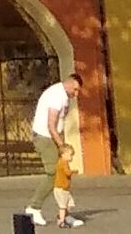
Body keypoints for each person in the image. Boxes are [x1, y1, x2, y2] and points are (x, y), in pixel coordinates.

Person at [29, 79, 85, 228]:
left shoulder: (63, 96)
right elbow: (51, 125)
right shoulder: (56, 96)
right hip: (45, 138)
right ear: (69, 83)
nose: (76, 93)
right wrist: (62, 146)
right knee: (53, 173)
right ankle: (33, 208)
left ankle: (64, 214)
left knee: (63, 175)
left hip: (52, 137)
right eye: (75, 89)